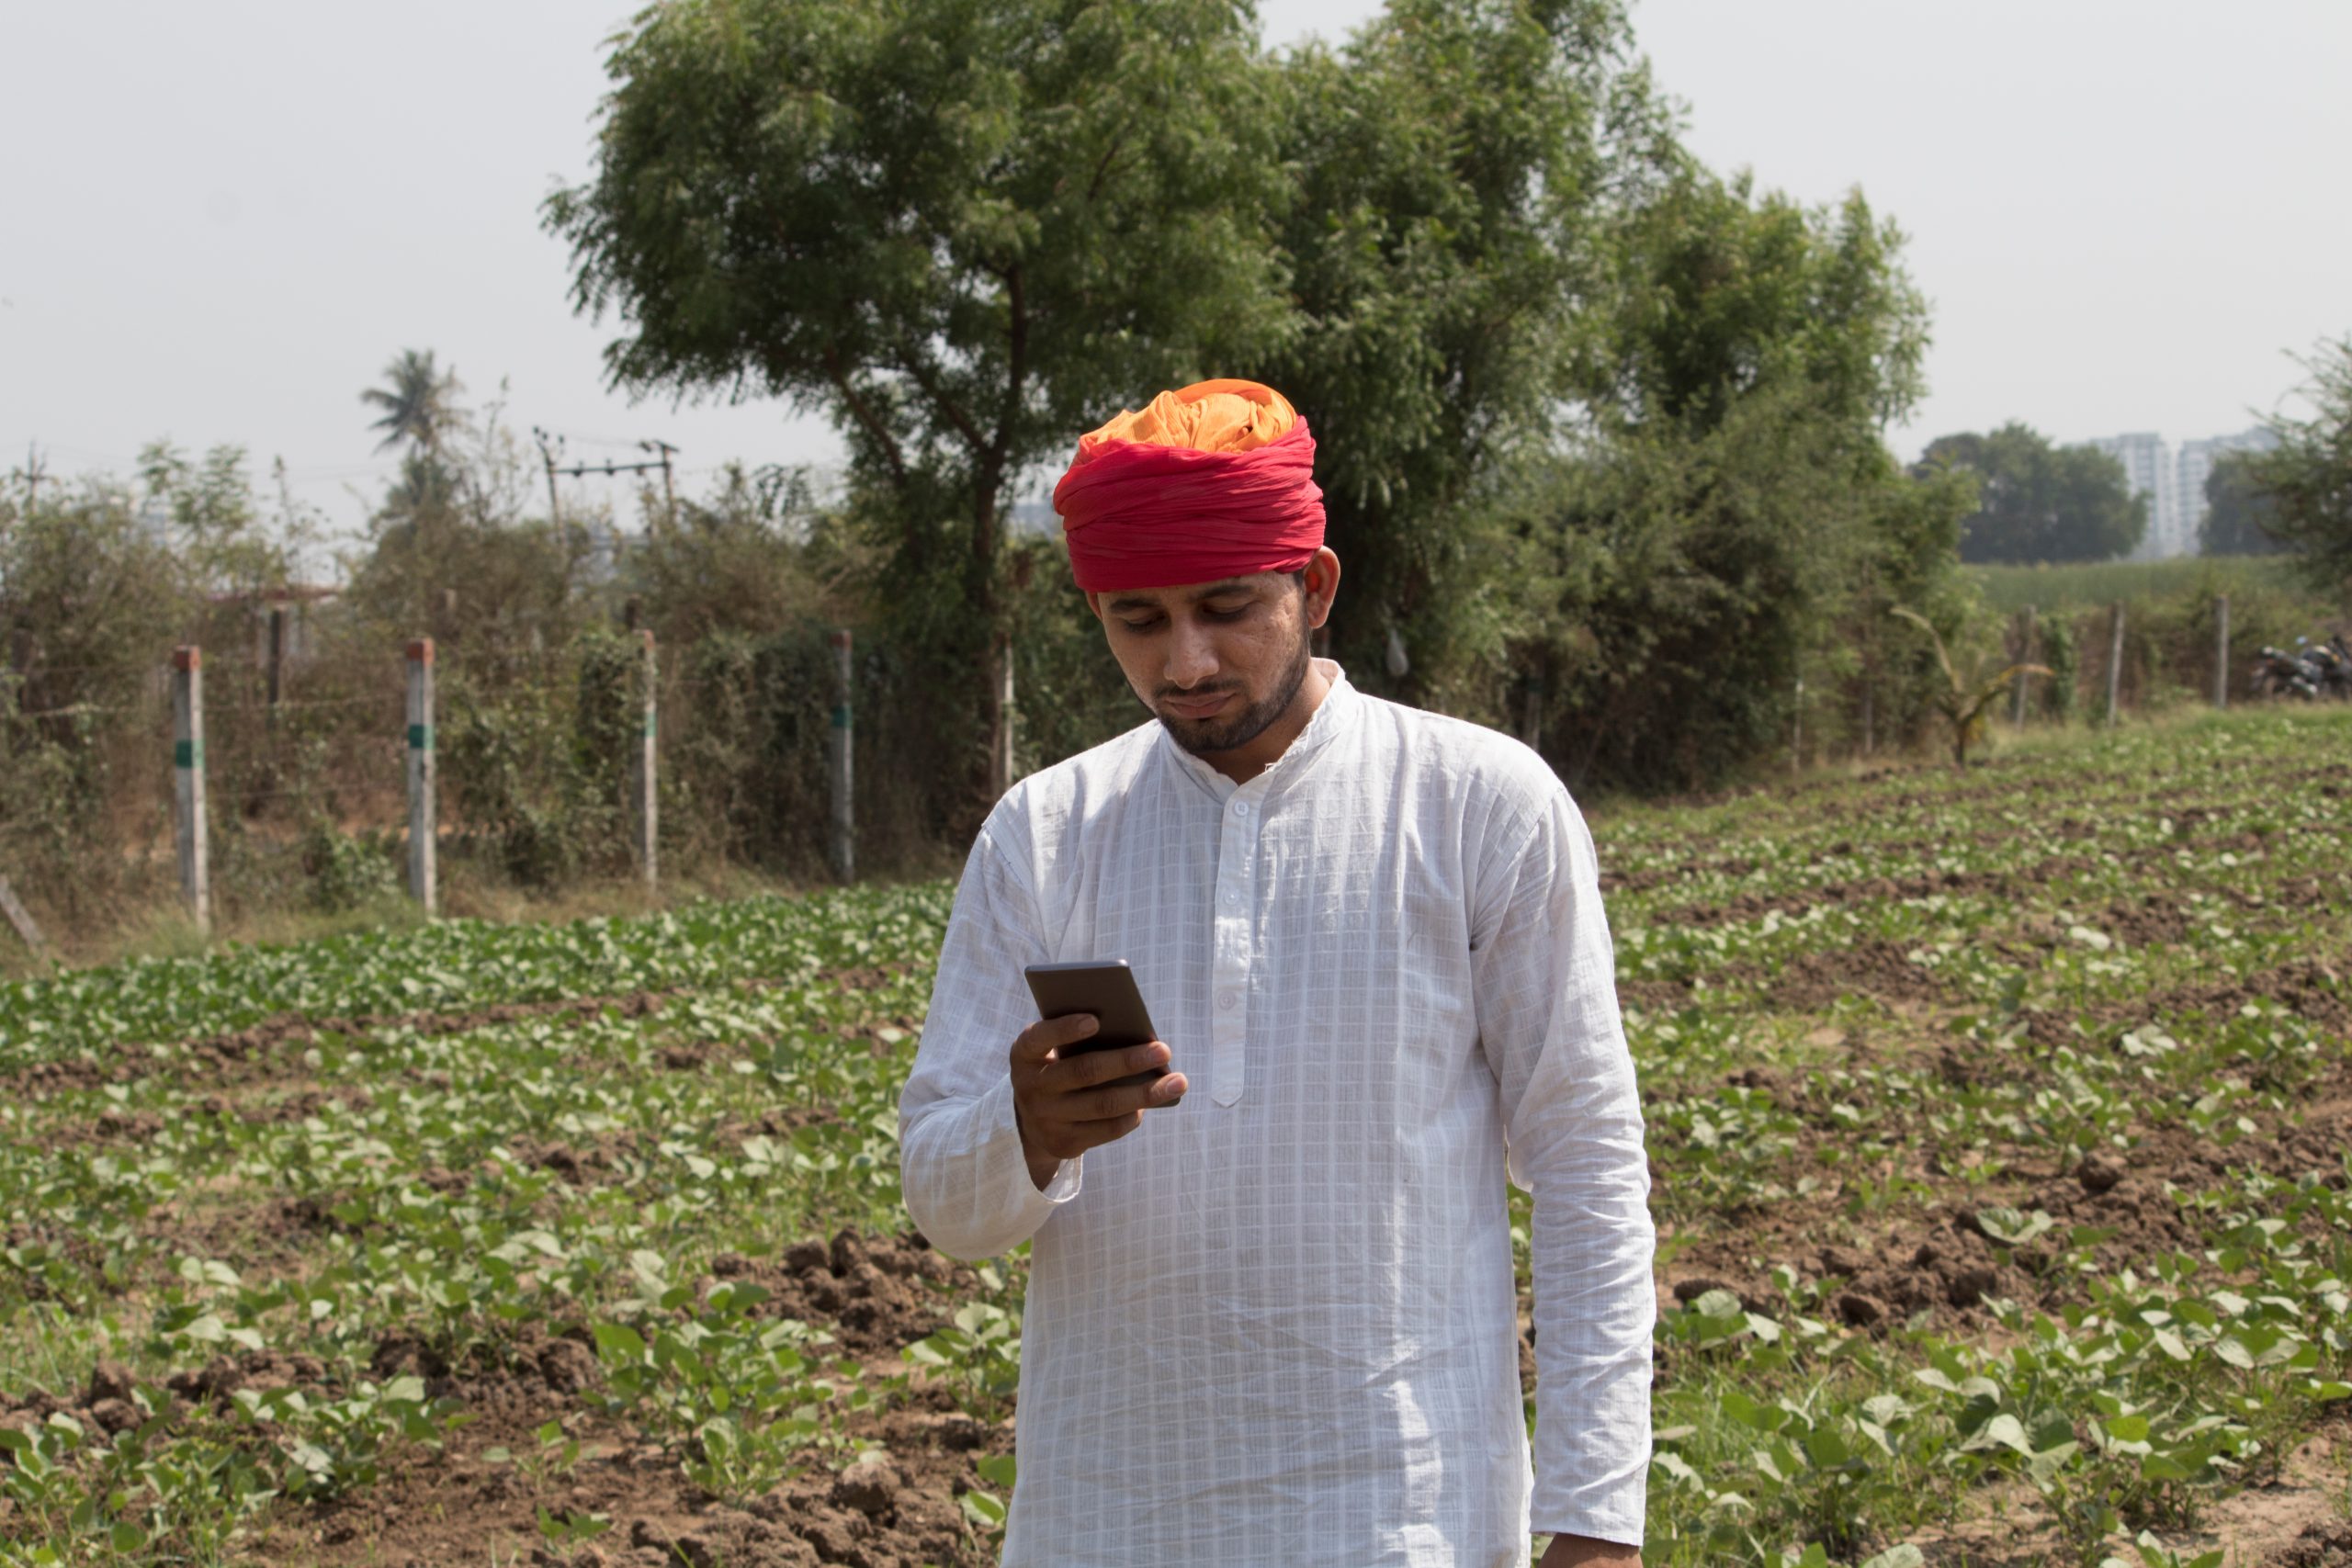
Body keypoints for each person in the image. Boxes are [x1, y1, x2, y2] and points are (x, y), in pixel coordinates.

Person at [899, 379, 1654, 1567]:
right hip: (1109, 1518)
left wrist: (1599, 1515)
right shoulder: (1047, 832)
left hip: (1406, 1517)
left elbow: (1587, 1167)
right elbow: (945, 1205)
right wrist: (1025, 1132)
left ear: (1316, 585)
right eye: (1139, 620)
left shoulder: (1479, 807)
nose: (1185, 660)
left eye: (1227, 608)